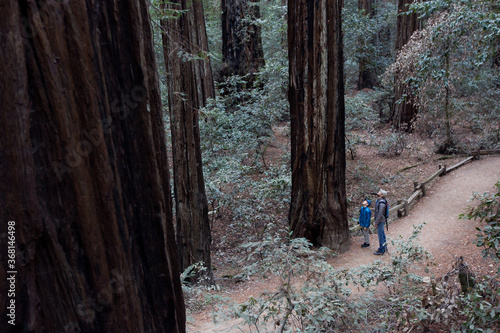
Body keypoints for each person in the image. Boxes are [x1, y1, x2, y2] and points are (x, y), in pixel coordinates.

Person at [373, 189, 388, 255]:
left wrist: (376, 222)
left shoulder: (381, 203)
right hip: (381, 220)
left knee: (380, 235)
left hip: (380, 221)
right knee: (382, 234)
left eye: (380, 192)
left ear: (381, 195)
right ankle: (384, 247)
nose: (378, 192)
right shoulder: (380, 201)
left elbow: (380, 214)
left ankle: (381, 250)